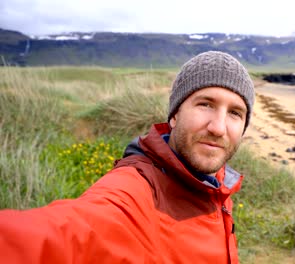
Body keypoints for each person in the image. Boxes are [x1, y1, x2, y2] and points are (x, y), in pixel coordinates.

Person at [0, 51, 255, 263]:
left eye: (235, 113)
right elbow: (66, 234)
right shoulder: (136, 190)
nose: (218, 128)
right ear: (174, 115)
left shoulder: (217, 182)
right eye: (205, 104)